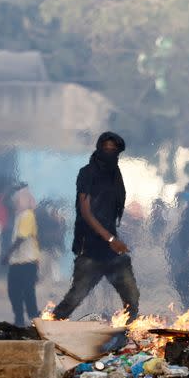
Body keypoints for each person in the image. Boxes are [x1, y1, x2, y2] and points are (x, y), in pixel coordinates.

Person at [51, 132, 140, 322]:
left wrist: (113, 240)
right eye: (106, 149)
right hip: (90, 248)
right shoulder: (87, 173)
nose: (110, 153)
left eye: (114, 150)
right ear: (99, 149)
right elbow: (85, 210)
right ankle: (47, 330)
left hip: (111, 251)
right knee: (74, 299)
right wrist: (110, 238)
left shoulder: (115, 174)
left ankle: (130, 337)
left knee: (132, 298)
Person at [2, 185, 41, 327]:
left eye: (16, 199)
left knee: (26, 292)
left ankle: (34, 319)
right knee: (15, 291)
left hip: (26, 261)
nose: (14, 202)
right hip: (18, 261)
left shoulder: (27, 215)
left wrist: (7, 254)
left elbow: (21, 238)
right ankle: (21, 318)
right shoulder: (20, 215)